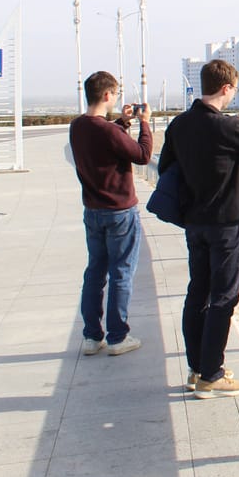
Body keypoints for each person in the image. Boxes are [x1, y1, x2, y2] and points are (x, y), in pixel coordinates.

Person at [158, 59, 239, 399]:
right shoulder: (226, 126)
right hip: (225, 226)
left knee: (197, 292)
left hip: (194, 224)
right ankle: (212, 374)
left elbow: (166, 166)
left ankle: (197, 368)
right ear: (227, 88)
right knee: (223, 298)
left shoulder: (179, 125)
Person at [69, 71, 152, 357]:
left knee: (95, 272)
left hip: (92, 211)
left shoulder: (78, 126)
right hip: (119, 211)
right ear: (106, 95)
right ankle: (118, 337)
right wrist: (144, 124)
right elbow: (142, 155)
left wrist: (122, 122)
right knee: (121, 273)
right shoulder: (107, 131)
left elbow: (104, 139)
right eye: (115, 94)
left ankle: (92, 336)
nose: (116, 98)